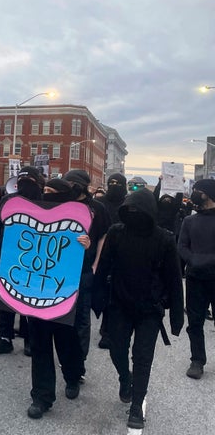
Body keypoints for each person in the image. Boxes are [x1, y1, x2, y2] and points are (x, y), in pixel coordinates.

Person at [94, 188, 183, 430]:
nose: (133, 214)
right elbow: (104, 266)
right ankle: (125, 378)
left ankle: (136, 406)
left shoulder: (164, 239)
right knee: (116, 349)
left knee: (143, 358)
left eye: (138, 210)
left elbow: (174, 279)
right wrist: (97, 297)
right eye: (129, 209)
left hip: (150, 309)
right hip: (120, 304)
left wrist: (176, 314)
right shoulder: (116, 233)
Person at [27, 178, 91, 420]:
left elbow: (86, 262)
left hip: (65, 293)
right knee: (40, 344)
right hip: (36, 291)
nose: (46, 195)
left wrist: (87, 246)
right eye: (44, 191)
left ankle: (73, 375)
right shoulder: (31, 215)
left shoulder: (81, 219)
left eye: (52, 192)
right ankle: (41, 396)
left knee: (67, 341)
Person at [0, 167, 44, 356]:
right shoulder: (7, 201)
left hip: (33, 259)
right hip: (8, 256)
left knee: (29, 301)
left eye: (30, 181)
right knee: (4, 298)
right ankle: (5, 337)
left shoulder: (45, 202)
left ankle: (30, 338)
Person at [62, 169, 111, 383]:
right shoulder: (59, 203)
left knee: (81, 319)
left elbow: (103, 236)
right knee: (61, 319)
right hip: (58, 270)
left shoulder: (97, 208)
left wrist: (96, 264)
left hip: (83, 270)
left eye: (72, 183)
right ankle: (65, 361)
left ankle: (77, 368)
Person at [178, 178, 215, 381]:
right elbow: (182, 246)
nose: (194, 193)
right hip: (196, 279)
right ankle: (197, 360)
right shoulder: (189, 221)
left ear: (207, 194)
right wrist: (193, 260)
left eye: (197, 190)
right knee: (195, 322)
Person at [95, 172, 127, 350]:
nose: (114, 185)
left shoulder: (128, 204)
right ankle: (106, 327)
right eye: (111, 182)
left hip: (123, 252)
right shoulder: (101, 203)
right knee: (105, 291)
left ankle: (112, 328)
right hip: (102, 252)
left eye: (118, 183)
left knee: (118, 292)